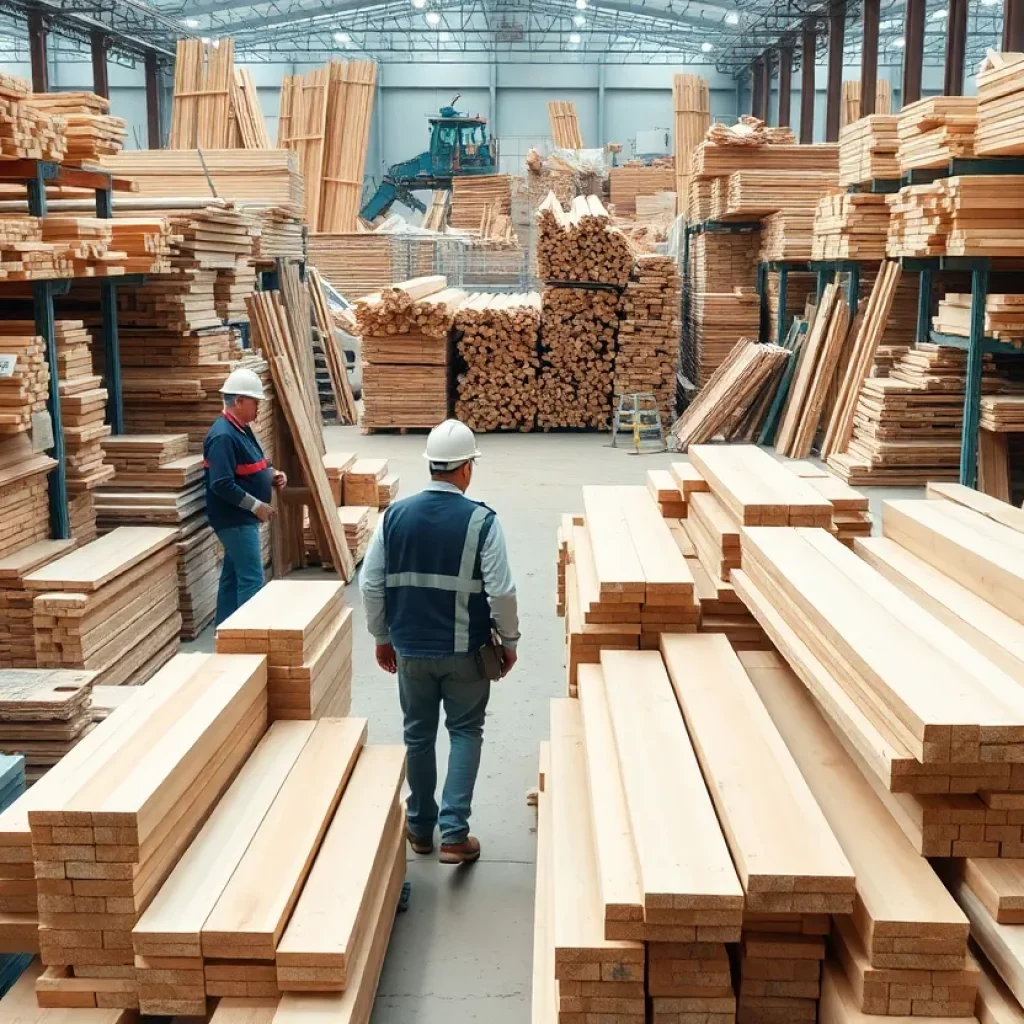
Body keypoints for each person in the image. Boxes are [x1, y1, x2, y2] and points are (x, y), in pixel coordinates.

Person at [360, 419, 519, 865]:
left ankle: (420, 829)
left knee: (419, 735)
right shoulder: (482, 521)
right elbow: (502, 591)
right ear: (467, 468)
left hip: (409, 651)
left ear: (430, 464)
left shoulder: (394, 517)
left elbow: (372, 585)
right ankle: (454, 835)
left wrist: (381, 637)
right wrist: (509, 641)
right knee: (466, 731)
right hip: (466, 651)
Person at [204, 367, 286, 624]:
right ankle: (250, 639)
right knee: (252, 579)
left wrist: (271, 475)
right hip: (235, 519)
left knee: (232, 577)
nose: (258, 407)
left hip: (241, 519)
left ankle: (225, 631)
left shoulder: (241, 428)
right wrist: (256, 506)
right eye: (255, 402)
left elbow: (255, 462)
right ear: (238, 401)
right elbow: (221, 483)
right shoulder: (222, 436)